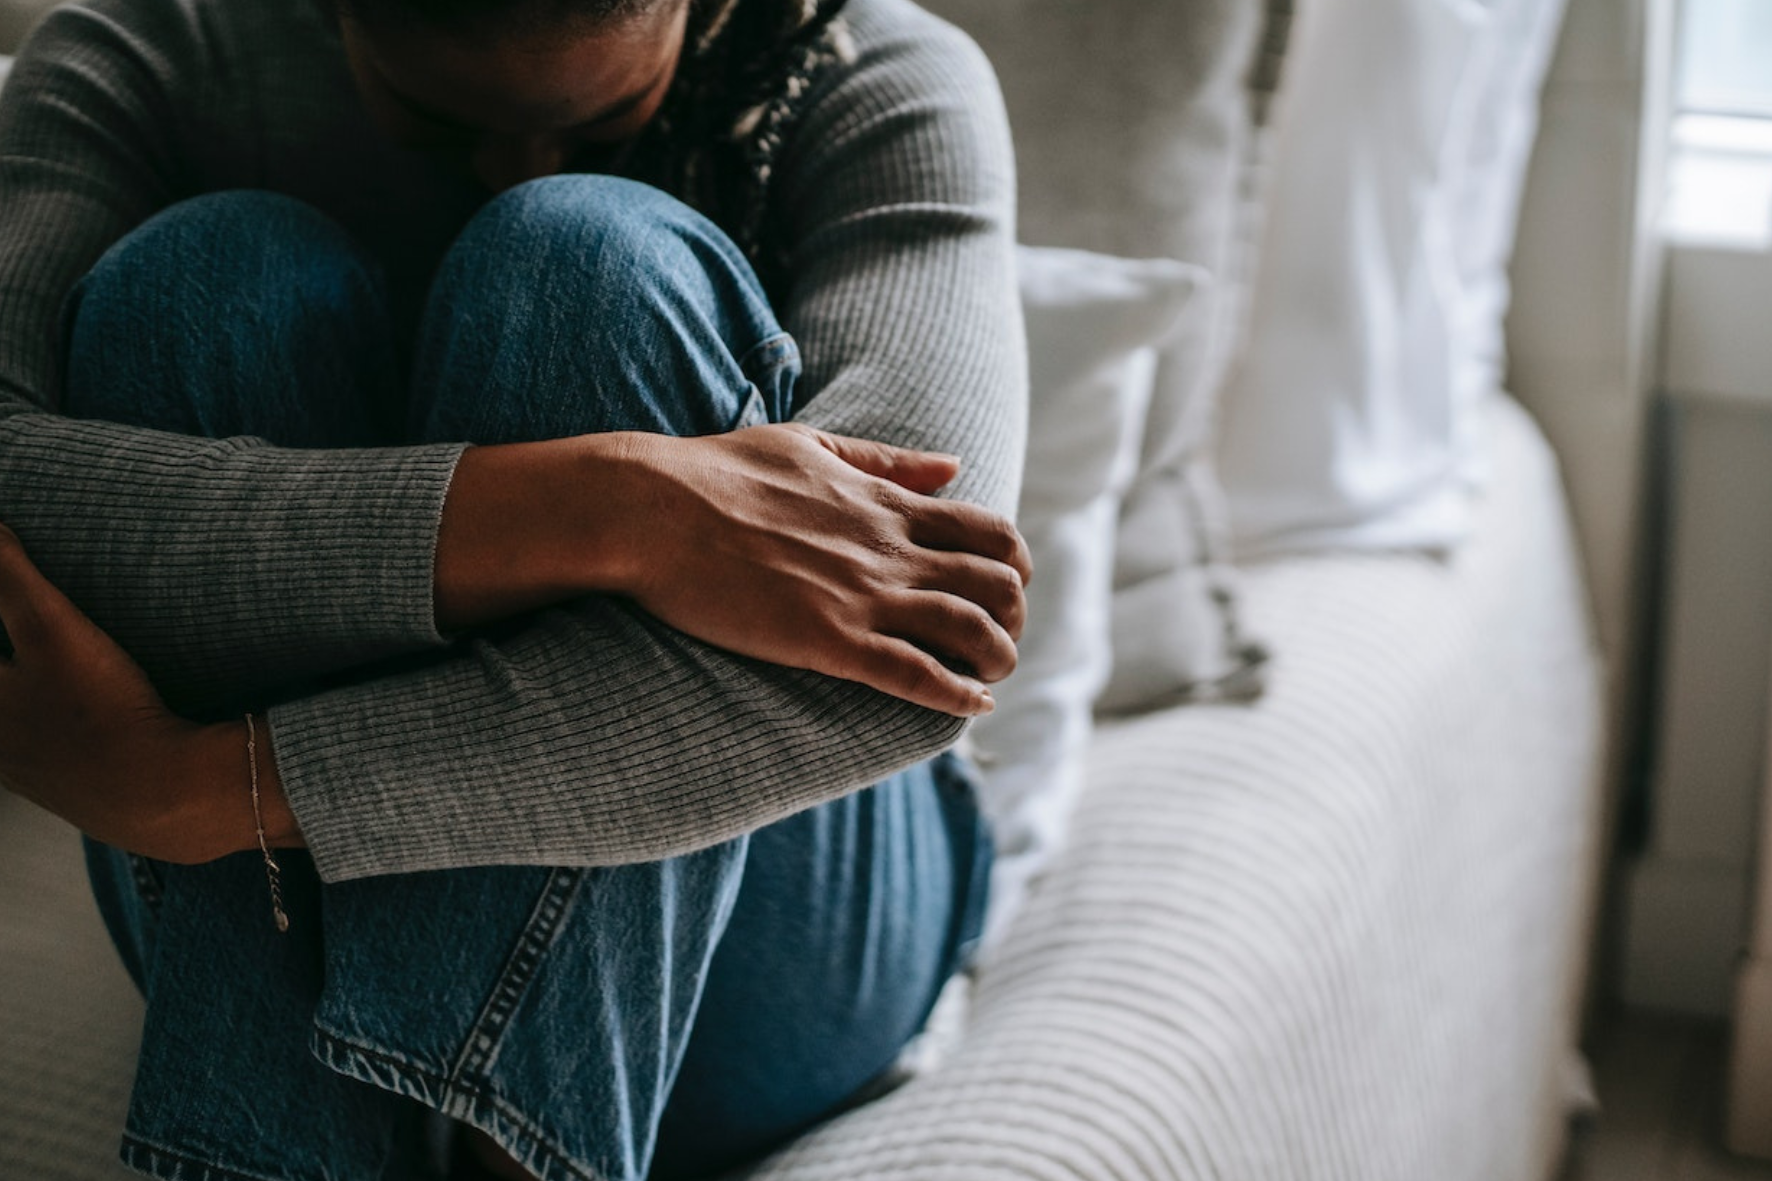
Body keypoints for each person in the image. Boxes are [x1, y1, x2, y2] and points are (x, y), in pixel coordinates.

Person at [0, 0, 1028, 1176]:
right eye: (438, 123)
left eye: (604, 121)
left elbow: (922, 655)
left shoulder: (866, 75)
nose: (510, 165)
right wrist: (619, 506)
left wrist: (203, 787)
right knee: (204, 280)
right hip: (278, 909)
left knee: (587, 260)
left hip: (765, 928)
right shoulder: (149, 50)